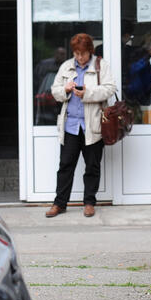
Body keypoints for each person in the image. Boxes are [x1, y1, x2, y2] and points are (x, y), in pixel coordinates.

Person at [45, 33, 116, 219]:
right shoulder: (66, 66)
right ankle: (59, 204)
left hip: (92, 126)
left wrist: (88, 92)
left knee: (92, 166)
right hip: (70, 125)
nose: (79, 57)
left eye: (82, 53)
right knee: (65, 166)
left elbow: (110, 88)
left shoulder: (101, 66)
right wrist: (65, 90)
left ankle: (89, 203)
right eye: (76, 53)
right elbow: (54, 91)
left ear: (90, 51)